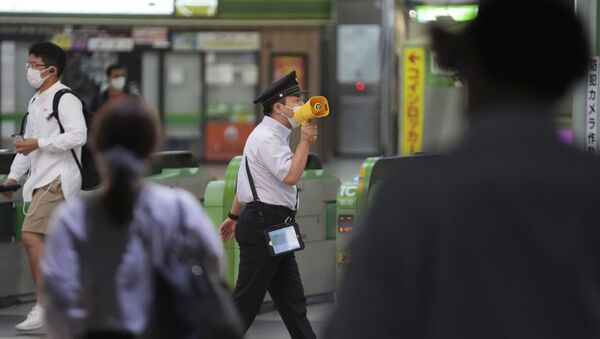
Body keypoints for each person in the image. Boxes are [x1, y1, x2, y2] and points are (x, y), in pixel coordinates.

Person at [326, 0, 600, 338]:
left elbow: (359, 325)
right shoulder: (589, 186)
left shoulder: (412, 195)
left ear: (470, 67)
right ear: (570, 74)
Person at [41, 98, 225, 339]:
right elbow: (212, 266)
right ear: (152, 147)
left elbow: (57, 297)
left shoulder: (72, 218)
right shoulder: (179, 207)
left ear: (97, 146)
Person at [219, 71, 318, 338]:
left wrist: (233, 216)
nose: (300, 107)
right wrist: (305, 141)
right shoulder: (267, 138)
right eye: (296, 101)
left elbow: (245, 184)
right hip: (265, 225)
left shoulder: (269, 136)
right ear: (279, 106)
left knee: (293, 302)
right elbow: (290, 176)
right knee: (245, 303)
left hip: (276, 225)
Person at [0, 42, 86, 332]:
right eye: (28, 64)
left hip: (59, 179)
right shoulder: (36, 100)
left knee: (30, 236)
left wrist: (39, 143)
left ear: (51, 69)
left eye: (33, 65)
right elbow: (27, 145)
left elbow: (79, 135)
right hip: (39, 181)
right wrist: (13, 178)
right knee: (52, 245)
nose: (29, 70)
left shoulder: (65, 98)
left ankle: (45, 305)